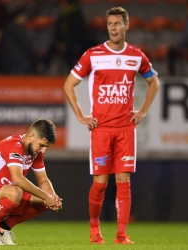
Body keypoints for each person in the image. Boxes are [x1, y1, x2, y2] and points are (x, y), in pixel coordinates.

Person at [63, 7, 160, 244]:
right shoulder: (93, 55)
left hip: (126, 129)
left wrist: (143, 110)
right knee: (100, 184)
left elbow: (154, 82)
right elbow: (68, 85)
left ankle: (121, 234)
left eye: (118, 24)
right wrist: (81, 116)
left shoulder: (136, 56)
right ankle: (94, 228)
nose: (113, 28)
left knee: (124, 183)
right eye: (110, 24)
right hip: (102, 130)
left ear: (126, 26)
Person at [0, 118, 63, 245]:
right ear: (30, 136)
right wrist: (46, 196)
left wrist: (52, 198)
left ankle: (3, 229)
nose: (42, 150)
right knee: (16, 191)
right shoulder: (14, 145)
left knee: (45, 202)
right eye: (41, 145)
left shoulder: (36, 152)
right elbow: (17, 180)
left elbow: (44, 180)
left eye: (45, 147)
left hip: (3, 194)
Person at [43, 0, 88, 75]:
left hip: (74, 42)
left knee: (69, 52)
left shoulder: (76, 13)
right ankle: (43, 70)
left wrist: (67, 44)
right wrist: (58, 43)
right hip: (61, 42)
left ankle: (73, 73)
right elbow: (57, 31)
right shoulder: (61, 14)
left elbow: (78, 33)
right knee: (50, 49)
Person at [0, 7, 38, 74]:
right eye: (24, 16)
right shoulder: (17, 29)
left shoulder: (6, 29)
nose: (25, 19)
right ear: (19, 16)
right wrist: (35, 58)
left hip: (8, 62)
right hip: (20, 62)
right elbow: (27, 46)